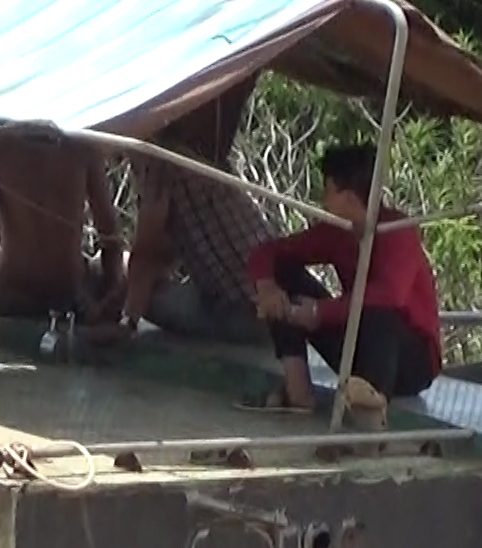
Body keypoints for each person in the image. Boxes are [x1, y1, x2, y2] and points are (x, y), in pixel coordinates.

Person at [91, 78, 330, 347]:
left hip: (249, 316)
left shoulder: (158, 164)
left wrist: (127, 321)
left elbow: (150, 254)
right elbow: (162, 256)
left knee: (115, 275)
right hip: (268, 304)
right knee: (121, 270)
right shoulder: (185, 159)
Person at [242, 142, 443, 428]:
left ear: (348, 197)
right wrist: (267, 288)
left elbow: (389, 295)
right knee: (284, 271)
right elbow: (270, 252)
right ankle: (298, 390)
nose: (323, 202)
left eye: (327, 191)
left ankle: (373, 406)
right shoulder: (337, 232)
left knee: (378, 308)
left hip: (409, 362)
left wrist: (320, 312)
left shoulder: (398, 230)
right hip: (356, 346)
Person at [0, 125, 126, 324]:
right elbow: (109, 230)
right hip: (66, 291)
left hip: (15, 292)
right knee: (109, 264)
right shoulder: (83, 148)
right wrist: (110, 293)